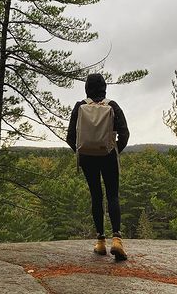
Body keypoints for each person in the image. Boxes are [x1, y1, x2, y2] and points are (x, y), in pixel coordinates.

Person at [66, 73, 129, 261]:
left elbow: (70, 136)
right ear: (104, 87)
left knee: (96, 196)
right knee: (112, 195)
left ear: (87, 88)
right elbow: (124, 133)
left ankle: (101, 242)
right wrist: (114, 150)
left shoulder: (79, 106)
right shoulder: (112, 106)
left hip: (87, 157)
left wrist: (82, 151)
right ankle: (116, 238)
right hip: (108, 154)